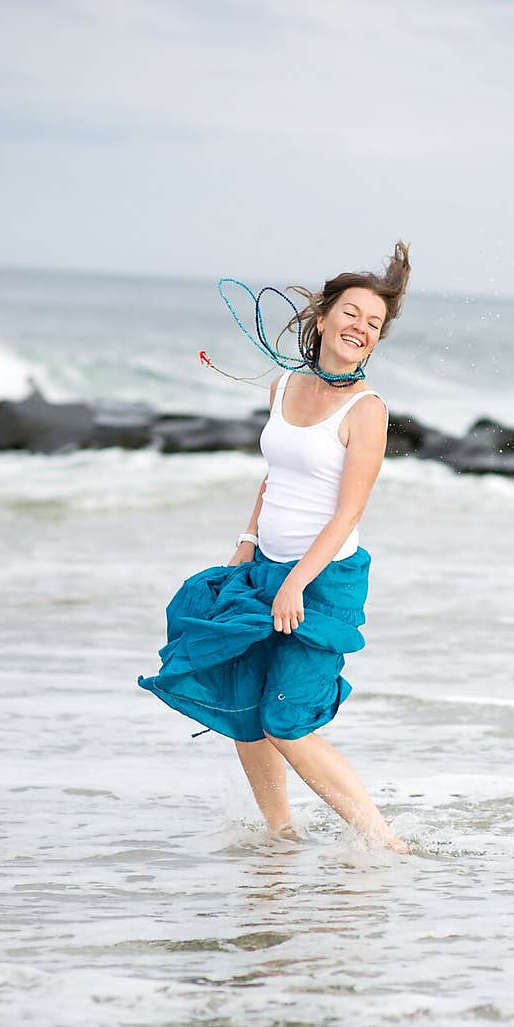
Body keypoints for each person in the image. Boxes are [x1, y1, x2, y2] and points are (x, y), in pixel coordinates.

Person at [138, 242, 411, 854]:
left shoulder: (367, 410)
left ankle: (386, 845)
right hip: (264, 567)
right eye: (352, 314)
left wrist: (295, 583)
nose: (361, 328)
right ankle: (279, 839)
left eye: (374, 323)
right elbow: (275, 477)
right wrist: (246, 543)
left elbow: (349, 511)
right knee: (244, 707)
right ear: (323, 318)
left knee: (287, 720)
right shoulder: (284, 383)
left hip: (325, 580)